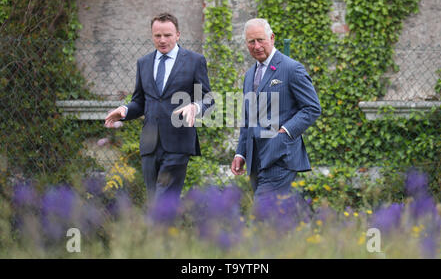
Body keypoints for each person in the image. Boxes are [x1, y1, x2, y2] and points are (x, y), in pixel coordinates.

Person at [105, 13, 213, 202]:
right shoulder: (144, 63)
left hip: (178, 142)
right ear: (152, 36)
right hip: (150, 144)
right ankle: (164, 232)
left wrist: (195, 107)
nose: (162, 40)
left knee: (163, 200)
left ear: (178, 35)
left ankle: (158, 230)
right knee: (154, 200)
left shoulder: (194, 61)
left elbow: (208, 100)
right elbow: (139, 101)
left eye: (168, 35)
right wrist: (125, 110)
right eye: (158, 36)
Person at [231, 18, 321, 210]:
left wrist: (285, 131)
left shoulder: (291, 69)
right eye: (251, 42)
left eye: (261, 40)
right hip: (256, 159)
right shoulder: (249, 75)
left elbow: (312, 108)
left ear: (272, 38)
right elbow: (249, 118)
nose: (256, 46)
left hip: (281, 157)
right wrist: (241, 152)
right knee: (275, 219)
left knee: (262, 214)